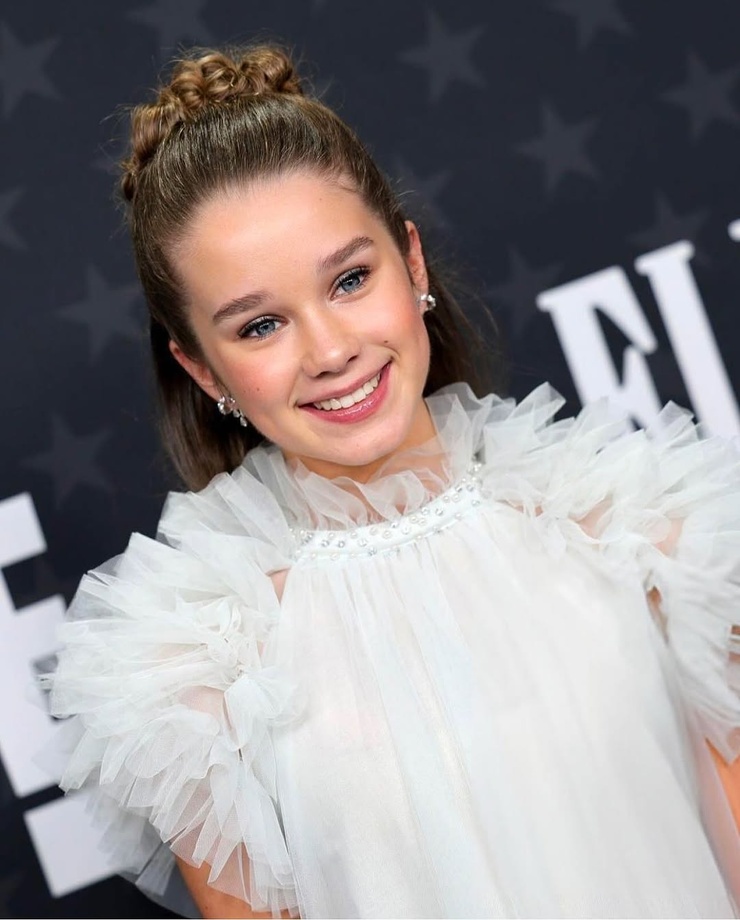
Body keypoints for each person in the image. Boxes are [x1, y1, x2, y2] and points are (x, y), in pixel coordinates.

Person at [46, 43, 740, 920]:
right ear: (200, 367)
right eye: (260, 326)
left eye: (349, 279)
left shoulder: (641, 529)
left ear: (411, 264)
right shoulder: (193, 675)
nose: (330, 349)